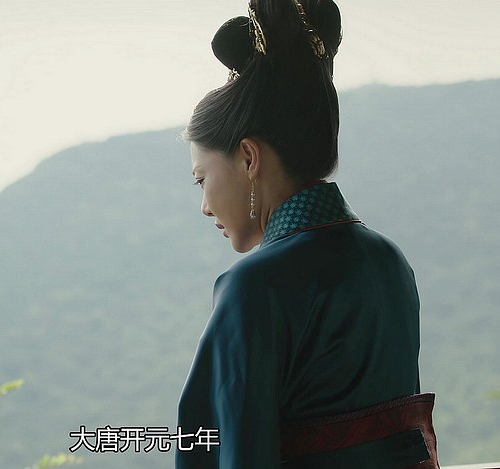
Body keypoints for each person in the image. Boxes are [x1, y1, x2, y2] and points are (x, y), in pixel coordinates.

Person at [175, 1, 439, 468]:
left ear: (249, 158)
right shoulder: (388, 260)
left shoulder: (255, 287)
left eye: (202, 180)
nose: (205, 206)